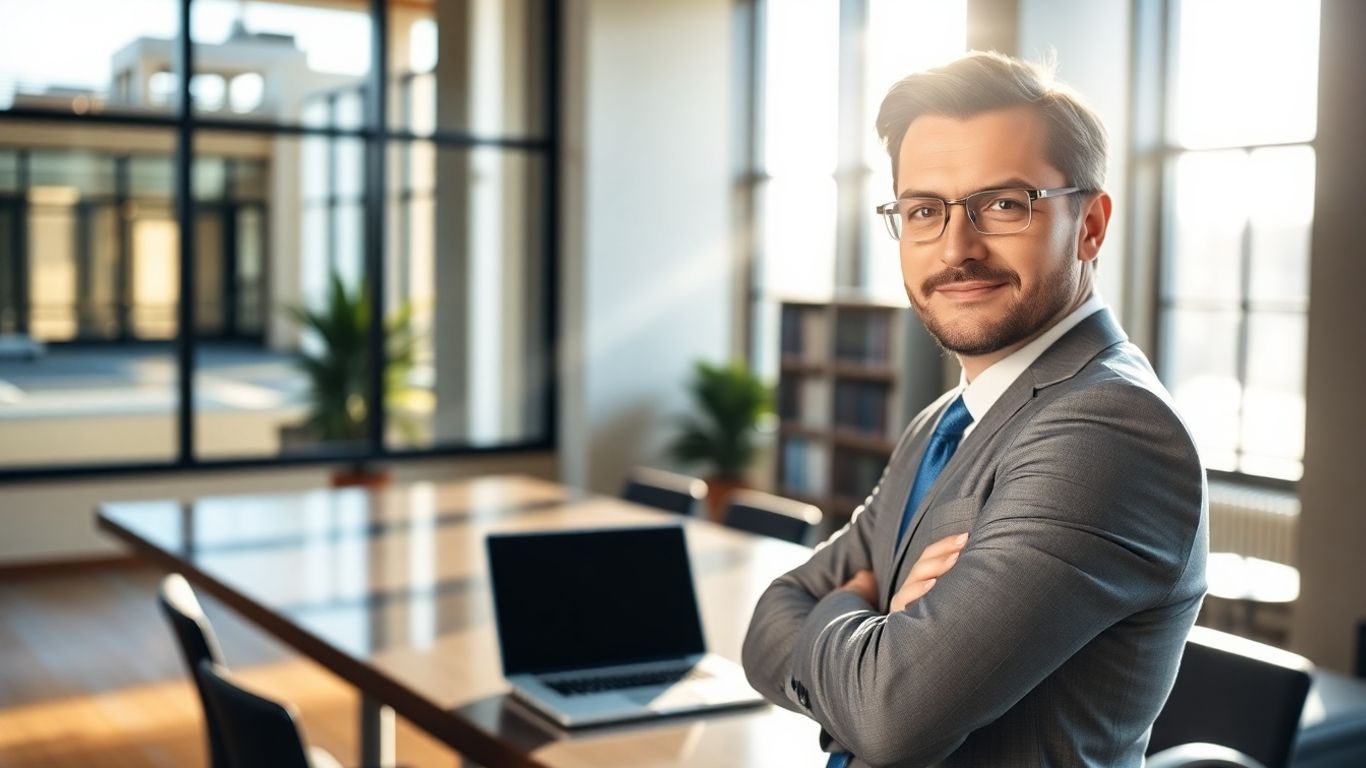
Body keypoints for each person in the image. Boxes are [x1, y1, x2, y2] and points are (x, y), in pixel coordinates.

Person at [741, 51, 1207, 768]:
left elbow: (888, 717)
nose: (957, 248)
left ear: (1090, 225)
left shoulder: (1108, 430)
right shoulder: (944, 422)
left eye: (1003, 204)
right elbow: (767, 624)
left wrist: (840, 613)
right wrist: (874, 641)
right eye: (925, 210)